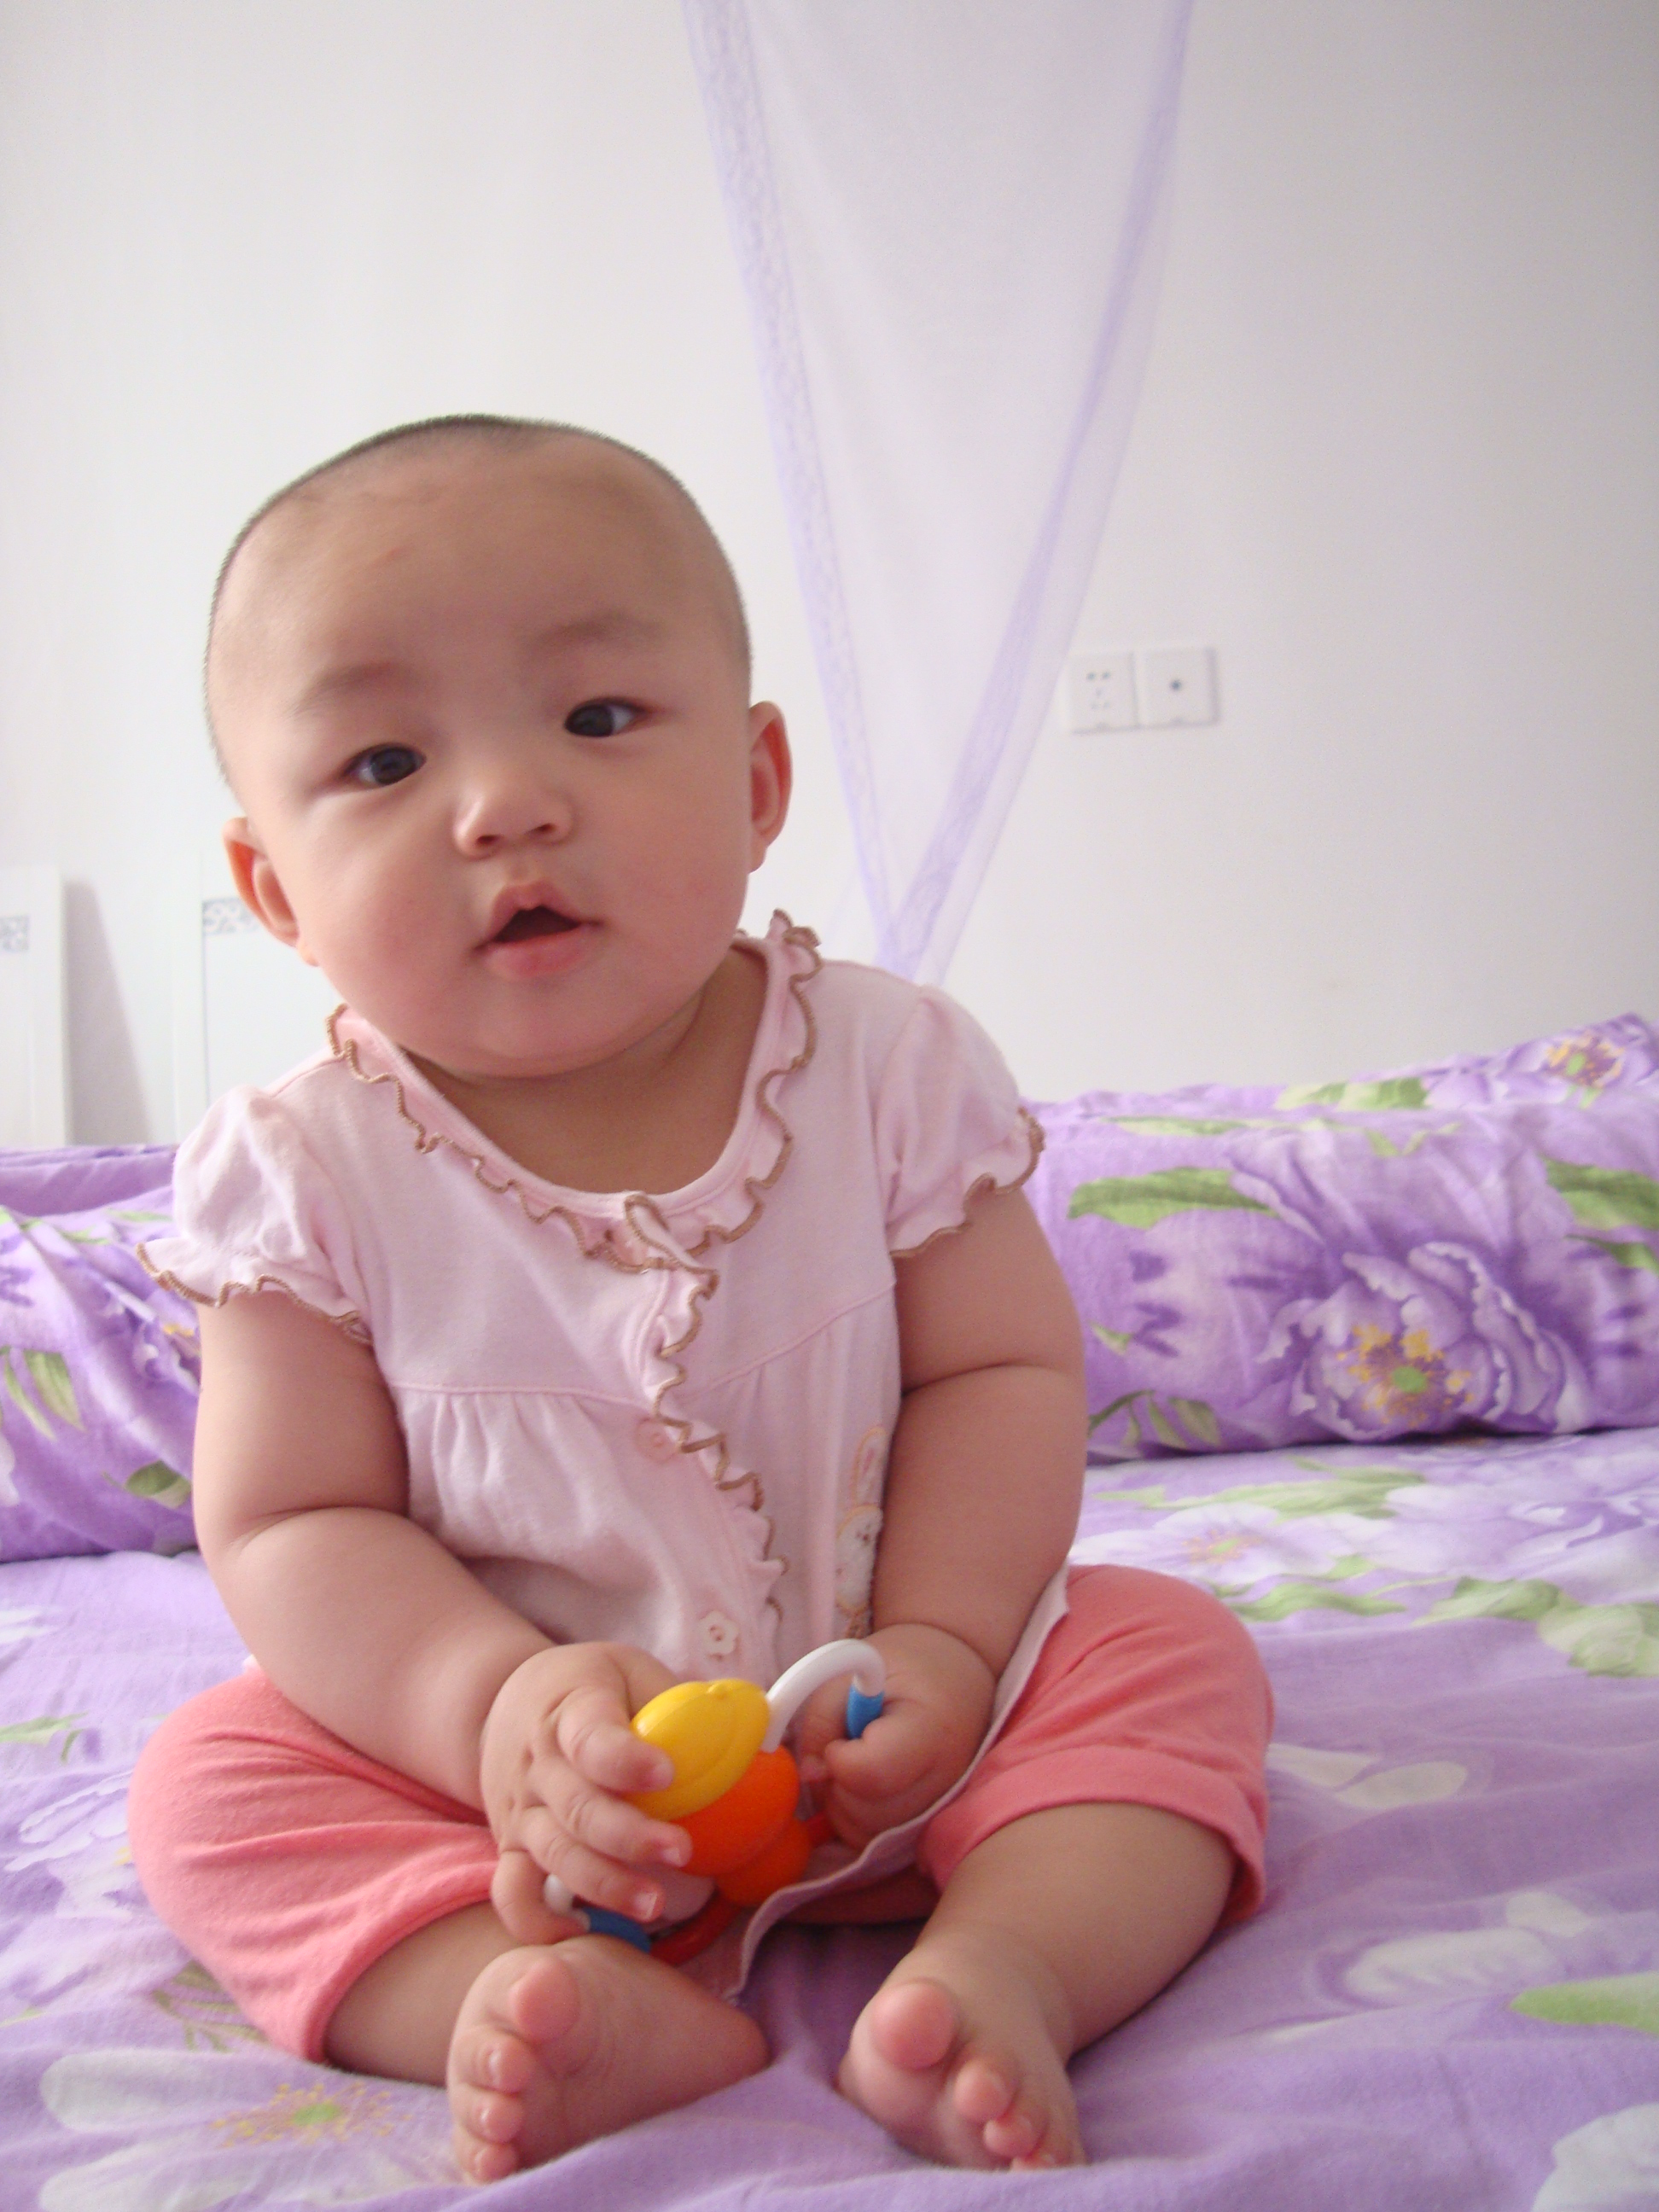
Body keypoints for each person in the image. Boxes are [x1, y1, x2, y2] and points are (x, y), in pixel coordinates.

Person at [131, 415, 1271, 2184]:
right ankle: (527, 1993)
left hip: (894, 1734)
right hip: (539, 1816)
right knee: (211, 1787)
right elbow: (291, 1520)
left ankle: (1007, 1964)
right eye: (384, 759)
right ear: (276, 888)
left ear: (755, 784)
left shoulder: (884, 1067)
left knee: (1165, 1653)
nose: (505, 804)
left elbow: (997, 1375)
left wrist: (948, 1648)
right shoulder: (298, 1177)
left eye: (596, 716)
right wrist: (492, 1715)